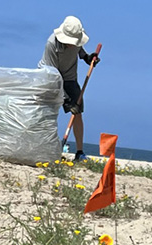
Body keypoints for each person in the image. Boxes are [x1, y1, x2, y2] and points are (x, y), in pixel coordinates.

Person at [40, 16, 99, 161]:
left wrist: (88, 58)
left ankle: (79, 152)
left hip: (70, 78)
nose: (72, 44)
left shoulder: (77, 41)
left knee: (78, 111)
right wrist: (66, 100)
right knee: (47, 111)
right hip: (49, 77)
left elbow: (81, 53)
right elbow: (52, 75)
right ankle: (43, 147)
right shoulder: (51, 44)